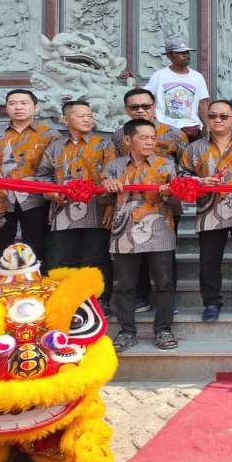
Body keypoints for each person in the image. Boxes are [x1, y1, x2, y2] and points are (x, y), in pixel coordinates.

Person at [103, 119, 181, 352]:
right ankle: (127, 331)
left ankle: (164, 330)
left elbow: (178, 204)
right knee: (125, 285)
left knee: (164, 283)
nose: (150, 142)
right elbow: (104, 200)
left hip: (159, 230)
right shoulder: (114, 167)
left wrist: (169, 194)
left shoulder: (165, 165)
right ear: (128, 140)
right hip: (124, 231)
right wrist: (107, 185)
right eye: (143, 138)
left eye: (152, 138)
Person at [180, 99, 232, 321]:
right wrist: (200, 181)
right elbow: (182, 175)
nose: (217, 120)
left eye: (224, 116)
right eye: (213, 115)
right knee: (209, 259)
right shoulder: (194, 147)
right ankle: (211, 303)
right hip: (209, 209)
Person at [114, 88, 188, 313]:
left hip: (165, 203)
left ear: (154, 106)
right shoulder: (120, 135)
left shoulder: (175, 134)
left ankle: (167, 300)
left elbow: (184, 169)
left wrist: (175, 190)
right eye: (134, 107)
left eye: (145, 106)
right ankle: (141, 297)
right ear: (127, 109)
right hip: (132, 205)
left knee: (165, 254)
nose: (141, 111)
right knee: (136, 252)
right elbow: (117, 167)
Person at [36, 100, 115, 307]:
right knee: (63, 259)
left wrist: (110, 206)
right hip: (63, 213)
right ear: (65, 119)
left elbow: (113, 176)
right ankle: (65, 302)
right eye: (81, 116)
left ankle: (99, 302)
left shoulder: (104, 144)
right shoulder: (54, 147)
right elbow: (43, 177)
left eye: (89, 115)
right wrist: (52, 193)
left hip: (96, 211)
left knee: (96, 258)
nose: (87, 119)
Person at [0, 89, 59, 276]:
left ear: (35, 107)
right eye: (13, 103)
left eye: (24, 103)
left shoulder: (50, 135)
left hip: (37, 200)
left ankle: (38, 294)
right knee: (0, 250)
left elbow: (56, 168)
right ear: (6, 108)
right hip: (1, 202)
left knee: (38, 247)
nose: (18, 107)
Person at [145, 37, 210, 141]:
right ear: (169, 55)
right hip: (165, 130)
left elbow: (203, 103)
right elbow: (145, 97)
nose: (186, 55)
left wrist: (208, 126)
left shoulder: (197, 77)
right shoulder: (159, 76)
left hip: (191, 130)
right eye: (180, 53)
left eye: (187, 52)